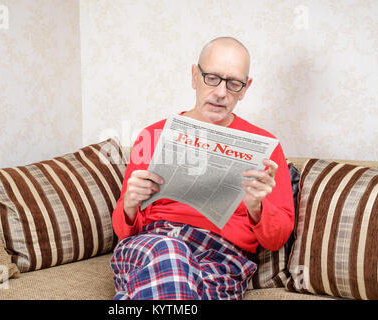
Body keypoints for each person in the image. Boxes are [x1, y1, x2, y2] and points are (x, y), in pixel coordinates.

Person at [110, 37, 295, 300]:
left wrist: (256, 206)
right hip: (152, 245)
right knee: (170, 254)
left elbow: (276, 240)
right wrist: (129, 204)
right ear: (194, 76)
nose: (221, 93)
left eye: (233, 84)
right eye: (212, 78)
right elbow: (123, 231)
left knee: (173, 280)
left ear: (245, 88)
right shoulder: (152, 135)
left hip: (220, 260)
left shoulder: (265, 148)